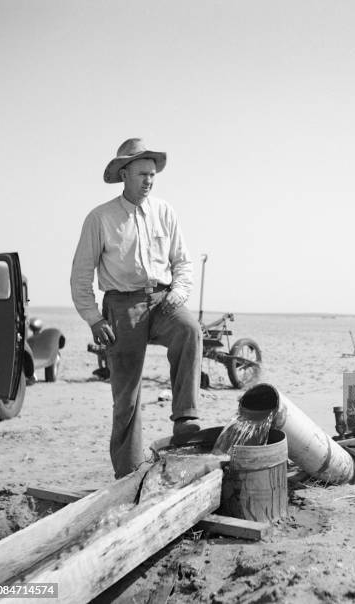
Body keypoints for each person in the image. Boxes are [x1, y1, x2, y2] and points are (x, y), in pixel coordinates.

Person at [71, 138, 202, 478]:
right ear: (124, 173)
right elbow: (80, 275)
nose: (149, 180)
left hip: (161, 300)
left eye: (153, 175)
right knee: (126, 395)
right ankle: (128, 474)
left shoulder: (165, 212)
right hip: (121, 306)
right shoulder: (100, 218)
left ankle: (186, 418)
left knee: (189, 330)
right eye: (143, 173)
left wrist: (179, 291)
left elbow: (183, 262)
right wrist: (94, 318)